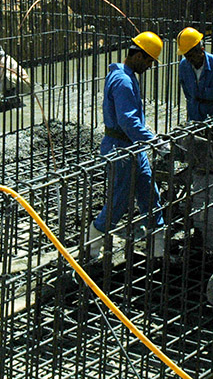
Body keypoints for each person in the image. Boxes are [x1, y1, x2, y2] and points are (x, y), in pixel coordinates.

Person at [85, 32, 167, 260]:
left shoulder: (125, 75)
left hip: (132, 147)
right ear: (138, 56)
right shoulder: (123, 81)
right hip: (120, 149)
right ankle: (91, 249)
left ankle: (157, 250)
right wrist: (153, 141)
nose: (150, 66)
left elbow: (133, 119)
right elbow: (128, 121)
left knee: (149, 193)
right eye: (149, 60)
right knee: (118, 202)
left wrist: (147, 134)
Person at [176, 27, 213, 122]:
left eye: (191, 55)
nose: (189, 59)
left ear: (201, 49)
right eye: (186, 56)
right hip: (196, 116)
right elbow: (188, 94)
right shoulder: (183, 67)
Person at [0, 37, 32, 111]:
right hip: (6, 83)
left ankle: (12, 99)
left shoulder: (5, 61)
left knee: (6, 77)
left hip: (23, 85)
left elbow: (4, 80)